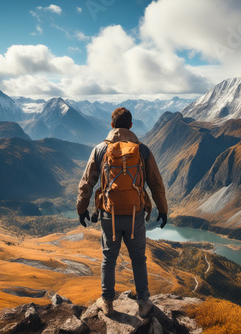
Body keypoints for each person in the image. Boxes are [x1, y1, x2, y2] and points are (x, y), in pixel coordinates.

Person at [77, 107, 168, 318]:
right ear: (131, 126)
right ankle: (144, 301)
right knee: (138, 258)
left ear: (111, 125)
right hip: (136, 214)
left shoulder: (100, 149)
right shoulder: (142, 150)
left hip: (110, 214)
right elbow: (156, 183)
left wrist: (82, 208)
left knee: (109, 258)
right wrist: (162, 209)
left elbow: (86, 183)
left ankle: (107, 302)